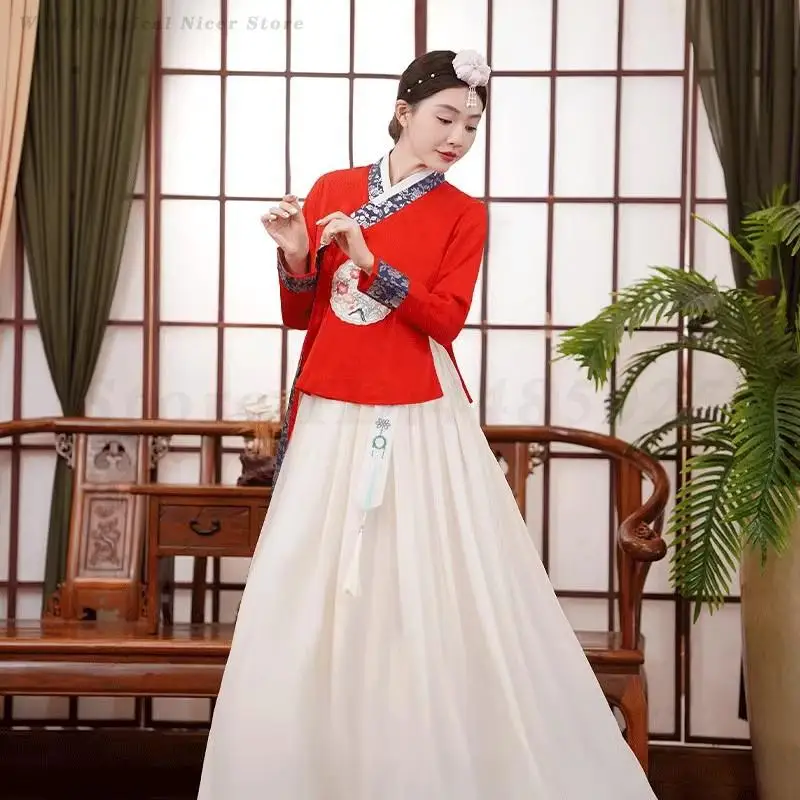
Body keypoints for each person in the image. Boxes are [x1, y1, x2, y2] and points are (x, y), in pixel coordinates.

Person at [196, 49, 657, 799]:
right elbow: (303, 316)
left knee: (419, 577)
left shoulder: (464, 213)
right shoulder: (333, 188)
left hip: (417, 412)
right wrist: (296, 256)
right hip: (332, 407)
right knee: (310, 583)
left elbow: (443, 320)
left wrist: (368, 260)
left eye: (471, 125)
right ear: (403, 111)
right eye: (445, 118)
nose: (457, 137)